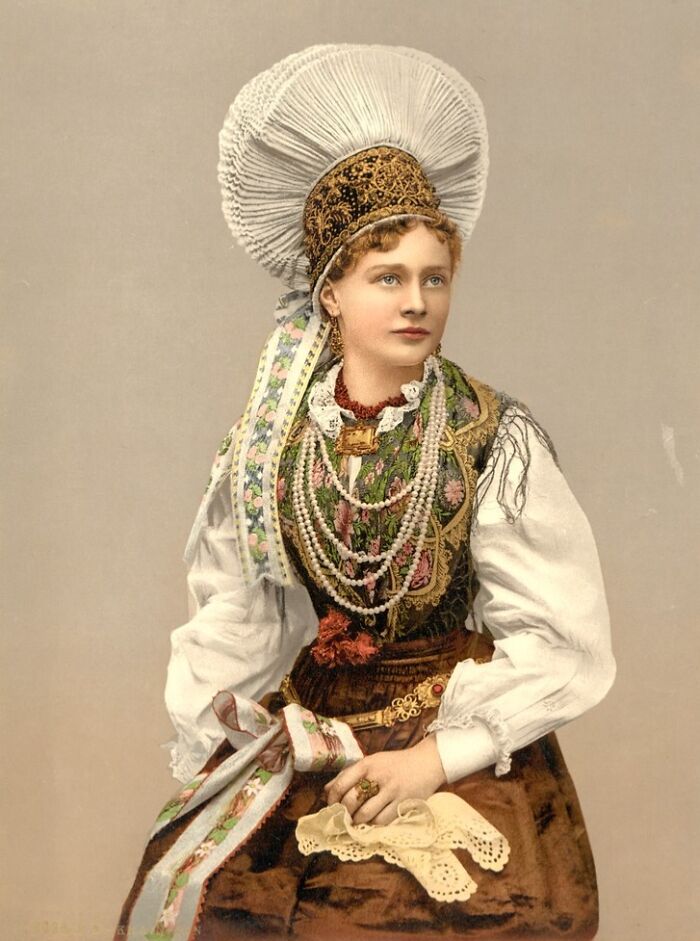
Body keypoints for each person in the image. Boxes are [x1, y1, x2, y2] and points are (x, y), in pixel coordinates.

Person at [114, 44, 616, 941]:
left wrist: (434, 758)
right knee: (210, 903)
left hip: (459, 745)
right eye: (388, 277)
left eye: (434, 277)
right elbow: (238, 618)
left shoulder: (489, 437)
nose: (417, 300)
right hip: (315, 740)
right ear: (332, 294)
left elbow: (560, 640)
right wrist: (209, 746)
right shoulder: (266, 448)